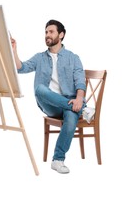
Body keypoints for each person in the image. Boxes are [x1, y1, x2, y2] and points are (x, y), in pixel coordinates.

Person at [11, 19, 94, 174]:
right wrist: (14, 51)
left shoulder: (73, 57)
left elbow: (80, 81)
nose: (47, 35)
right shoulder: (39, 57)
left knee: (71, 115)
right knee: (40, 89)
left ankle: (57, 160)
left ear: (61, 35)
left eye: (51, 32)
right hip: (50, 105)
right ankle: (83, 110)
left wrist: (78, 99)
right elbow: (20, 68)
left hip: (71, 101)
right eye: (46, 32)